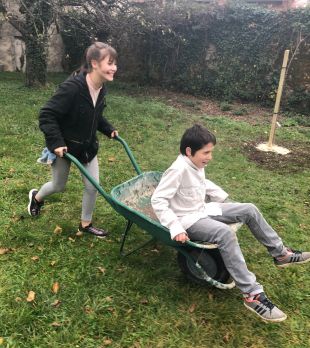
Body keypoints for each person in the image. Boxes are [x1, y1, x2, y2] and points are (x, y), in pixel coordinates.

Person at [151, 124, 310, 322]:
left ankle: (280, 254)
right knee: (224, 233)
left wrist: (222, 197)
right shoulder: (177, 170)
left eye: (211, 152)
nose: (210, 157)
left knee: (249, 209)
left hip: (202, 209)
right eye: (206, 152)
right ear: (189, 151)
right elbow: (158, 200)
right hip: (188, 220)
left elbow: (202, 184)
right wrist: (175, 227)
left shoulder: (195, 164)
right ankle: (252, 295)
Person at [28, 42, 119, 238]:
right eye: (110, 63)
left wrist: (108, 129)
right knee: (58, 186)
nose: (114, 68)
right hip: (65, 148)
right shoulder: (73, 88)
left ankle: (85, 224)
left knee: (92, 186)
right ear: (94, 63)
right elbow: (47, 114)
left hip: (87, 148)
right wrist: (56, 143)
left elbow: (95, 115)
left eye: (115, 63)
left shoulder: (101, 88)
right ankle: (36, 197)